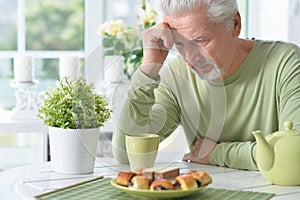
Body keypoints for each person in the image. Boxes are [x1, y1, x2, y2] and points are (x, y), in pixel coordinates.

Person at [112, 0, 300, 170]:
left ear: (235, 25)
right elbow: (125, 153)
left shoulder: (286, 62)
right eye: (179, 44)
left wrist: (218, 153)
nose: (190, 58)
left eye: (200, 41)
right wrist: (148, 70)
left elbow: (294, 156)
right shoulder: (177, 76)